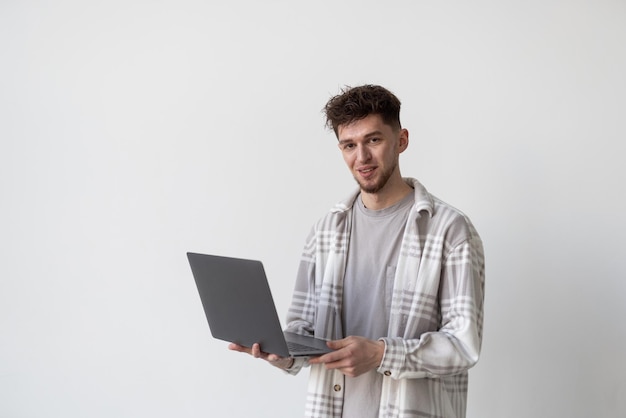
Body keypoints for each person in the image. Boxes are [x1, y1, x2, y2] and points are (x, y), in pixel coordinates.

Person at [229, 84, 485, 418]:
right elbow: (304, 332)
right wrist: (282, 353)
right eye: (349, 145)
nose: (361, 157)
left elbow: (462, 346)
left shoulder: (450, 231)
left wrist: (381, 354)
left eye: (373, 140)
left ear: (401, 140)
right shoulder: (325, 232)